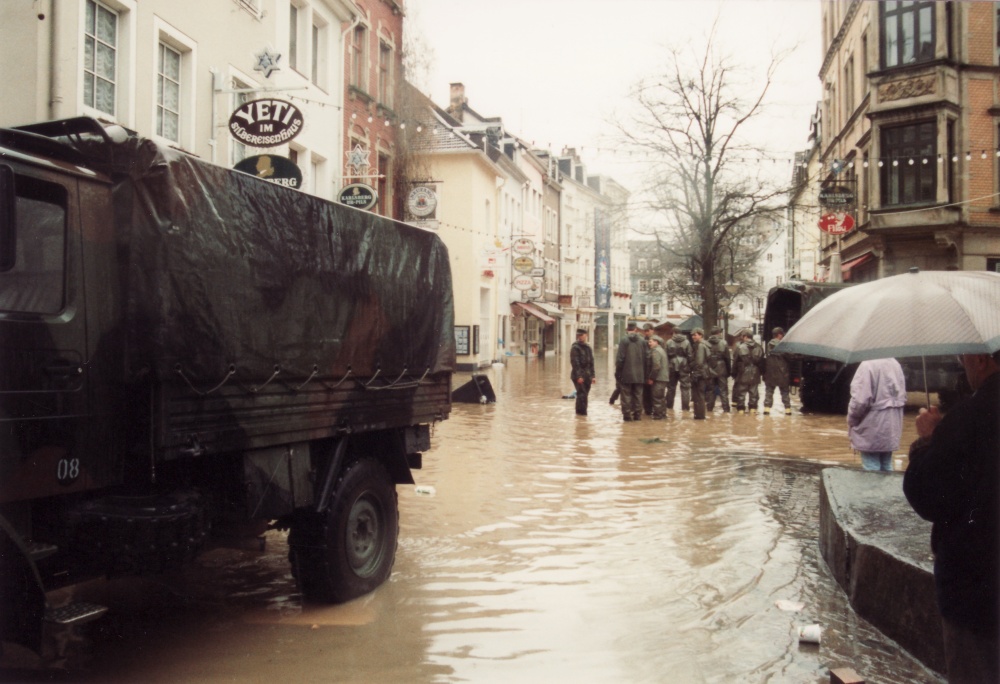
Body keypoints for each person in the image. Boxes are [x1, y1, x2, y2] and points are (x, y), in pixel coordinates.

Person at [903, 351, 999, 682]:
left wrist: (928, 443)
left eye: (966, 356)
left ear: (983, 360)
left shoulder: (971, 416)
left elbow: (928, 495)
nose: (962, 362)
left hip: (977, 591)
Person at [846, 358, 906, 471]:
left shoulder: (867, 365)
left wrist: (851, 420)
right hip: (892, 425)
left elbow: (860, 401)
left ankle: (872, 489)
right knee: (886, 465)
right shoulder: (895, 363)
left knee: (871, 467)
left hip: (872, 426)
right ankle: (888, 489)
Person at [615, 321, 646, 421]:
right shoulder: (642, 341)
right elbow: (647, 358)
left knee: (626, 396)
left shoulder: (624, 340)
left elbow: (620, 358)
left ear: (627, 329)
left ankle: (627, 416)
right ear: (636, 329)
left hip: (626, 373)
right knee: (638, 395)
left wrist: (618, 373)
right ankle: (637, 416)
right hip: (640, 374)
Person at [731, 328, 764, 414]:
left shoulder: (739, 347)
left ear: (745, 337)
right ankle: (753, 410)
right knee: (754, 393)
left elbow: (735, 361)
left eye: (742, 336)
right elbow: (762, 362)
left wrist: (733, 373)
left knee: (741, 392)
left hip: (742, 372)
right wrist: (761, 373)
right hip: (755, 372)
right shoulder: (759, 347)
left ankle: (741, 411)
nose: (741, 338)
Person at [763, 327, 792, 415]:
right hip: (782, 373)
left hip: (770, 373)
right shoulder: (783, 345)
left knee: (769, 391)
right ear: (779, 335)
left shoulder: (768, 345)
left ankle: (766, 410)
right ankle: (788, 410)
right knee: (785, 392)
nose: (783, 336)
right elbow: (790, 356)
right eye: (782, 334)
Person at [705, 325, 731, 413]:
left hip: (710, 368)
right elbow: (727, 358)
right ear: (719, 333)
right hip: (721, 367)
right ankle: (726, 409)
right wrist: (729, 371)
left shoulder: (705, 343)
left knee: (710, 390)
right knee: (723, 390)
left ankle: (709, 409)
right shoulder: (723, 343)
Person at [570, 328, 596, 416]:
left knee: (584, 395)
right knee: (582, 394)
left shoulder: (588, 347)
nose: (580, 337)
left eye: (581, 335)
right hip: (578, 375)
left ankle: (581, 414)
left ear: (586, 335)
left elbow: (591, 362)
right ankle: (581, 414)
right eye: (578, 335)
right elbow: (575, 363)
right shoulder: (575, 347)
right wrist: (579, 376)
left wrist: (593, 376)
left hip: (587, 375)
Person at [665, 330, 692, 412]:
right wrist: (690, 367)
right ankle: (685, 408)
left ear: (674, 333)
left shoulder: (669, 342)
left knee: (671, 387)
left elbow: (665, 355)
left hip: (671, 365)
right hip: (684, 365)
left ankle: (669, 407)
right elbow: (690, 355)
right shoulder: (687, 342)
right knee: (685, 388)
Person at [688, 328, 709, 419]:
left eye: (695, 335)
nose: (693, 337)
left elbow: (699, 362)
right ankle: (699, 415)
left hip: (700, 374)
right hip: (703, 372)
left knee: (699, 396)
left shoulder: (700, 346)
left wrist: (695, 373)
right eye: (692, 335)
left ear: (701, 335)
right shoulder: (702, 345)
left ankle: (700, 416)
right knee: (699, 395)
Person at [647, 336, 669, 419]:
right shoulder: (662, 350)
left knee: (657, 398)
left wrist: (651, 378)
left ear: (656, 342)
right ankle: (663, 415)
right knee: (661, 398)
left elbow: (656, 366)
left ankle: (658, 416)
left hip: (658, 379)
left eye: (651, 342)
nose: (649, 344)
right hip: (664, 378)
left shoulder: (656, 351)